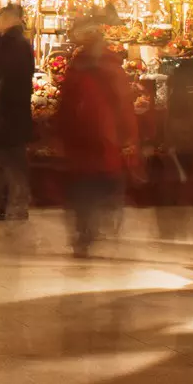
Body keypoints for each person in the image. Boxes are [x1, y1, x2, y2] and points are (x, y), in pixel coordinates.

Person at [56, 20, 138, 255]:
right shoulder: (112, 68)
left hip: (82, 139)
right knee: (102, 182)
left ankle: (85, 230)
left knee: (83, 187)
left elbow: (66, 105)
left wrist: (61, 132)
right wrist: (127, 135)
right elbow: (124, 105)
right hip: (104, 138)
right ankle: (96, 224)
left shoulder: (76, 69)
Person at [0, 4, 35, 222]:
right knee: (3, 162)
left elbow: (8, 82)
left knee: (14, 163)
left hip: (9, 114)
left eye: (0, 19)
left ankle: (17, 206)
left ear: (11, 20)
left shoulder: (15, 45)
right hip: (5, 113)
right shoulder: (10, 43)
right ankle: (4, 203)